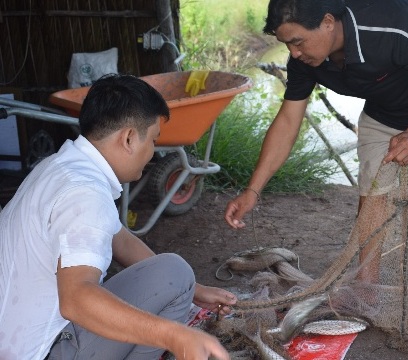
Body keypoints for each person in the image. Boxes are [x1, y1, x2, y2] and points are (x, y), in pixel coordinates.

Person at [225, 0, 408, 291]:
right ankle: (367, 290)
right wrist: (253, 190)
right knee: (373, 195)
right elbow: (288, 121)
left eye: (298, 41)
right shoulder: (304, 61)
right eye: (286, 44)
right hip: (385, 110)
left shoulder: (393, 25)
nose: (293, 53)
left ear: (328, 22)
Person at [0, 74, 236, 360]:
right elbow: (76, 300)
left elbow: (117, 236)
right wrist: (173, 334)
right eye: (153, 140)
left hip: (13, 338)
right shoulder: (85, 193)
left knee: (175, 275)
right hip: (36, 352)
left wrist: (194, 290)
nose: (152, 154)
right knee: (175, 272)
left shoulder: (61, 167)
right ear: (128, 138)